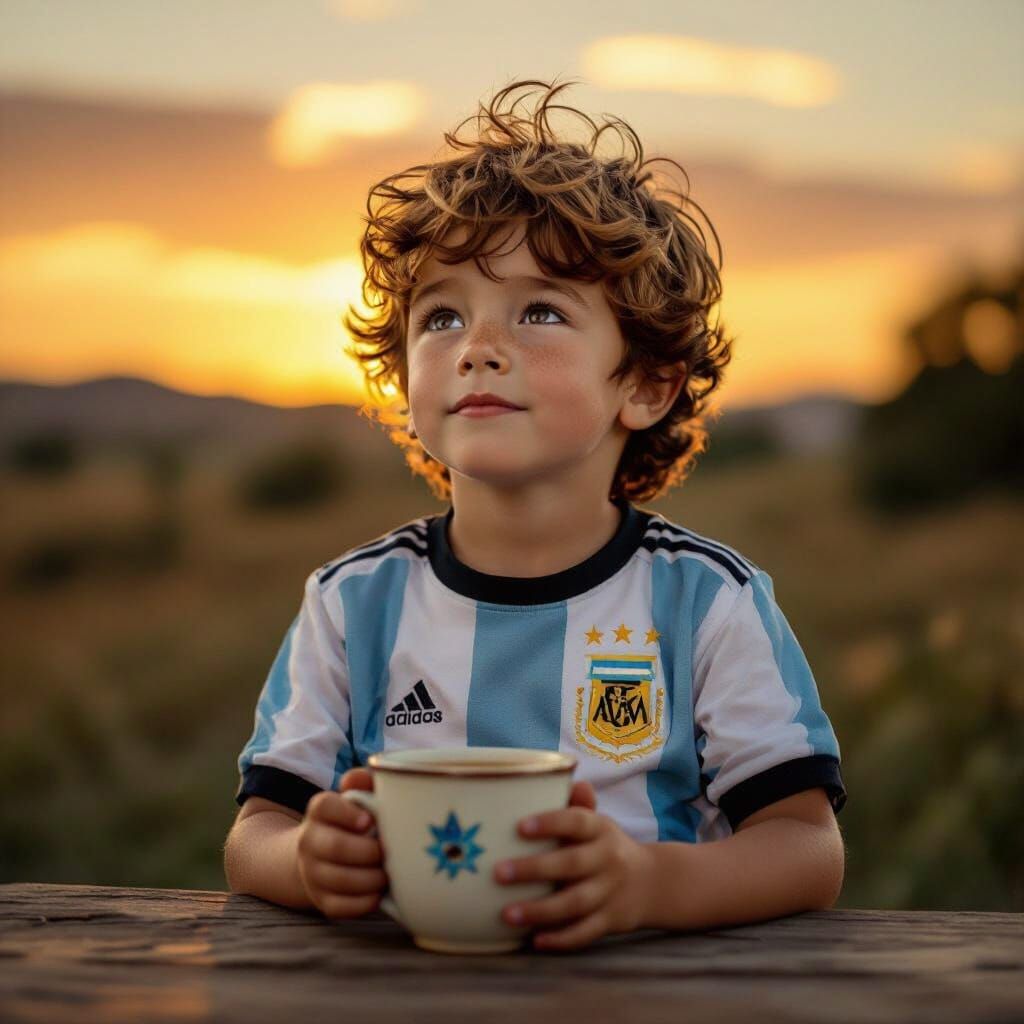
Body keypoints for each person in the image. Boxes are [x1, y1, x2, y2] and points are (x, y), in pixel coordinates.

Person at [223, 77, 847, 951]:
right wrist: (306, 862)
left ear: (644, 383)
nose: (478, 348)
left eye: (541, 311)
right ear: (406, 382)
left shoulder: (710, 602)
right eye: (441, 316)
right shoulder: (349, 603)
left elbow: (807, 846)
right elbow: (256, 832)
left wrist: (648, 885)